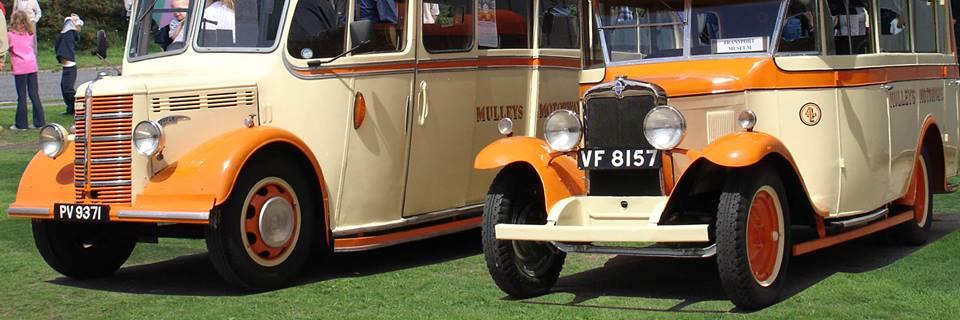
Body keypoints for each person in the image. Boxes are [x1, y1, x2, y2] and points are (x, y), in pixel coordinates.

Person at [6, 11, 44, 131]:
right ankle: (39, 122)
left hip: (20, 67)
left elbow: (7, 48)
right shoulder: (30, 34)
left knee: (22, 96)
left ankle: (21, 124)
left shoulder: (10, 35)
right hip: (31, 65)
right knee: (34, 95)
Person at [55, 14, 83, 115]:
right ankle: (70, 109)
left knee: (68, 90)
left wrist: (75, 20)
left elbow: (69, 21)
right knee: (63, 87)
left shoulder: (70, 34)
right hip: (66, 67)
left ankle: (80, 108)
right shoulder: (65, 33)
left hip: (70, 68)